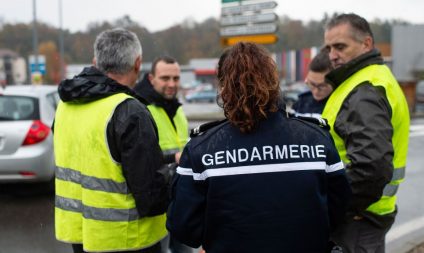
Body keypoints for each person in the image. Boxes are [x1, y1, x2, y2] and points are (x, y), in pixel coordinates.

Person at [166, 42, 351, 253]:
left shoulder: (202, 149)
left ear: (224, 87)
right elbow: (338, 212)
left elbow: (184, 229)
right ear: (273, 81)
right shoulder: (317, 139)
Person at [53, 28, 169, 253]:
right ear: (138, 63)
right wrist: (174, 174)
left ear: (96, 61)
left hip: (82, 236)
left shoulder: (65, 107)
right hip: (129, 240)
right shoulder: (129, 111)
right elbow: (151, 196)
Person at [322, 13, 410, 253]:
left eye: (340, 46)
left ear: (367, 44)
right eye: (329, 48)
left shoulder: (365, 89)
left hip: (358, 219)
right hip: (364, 216)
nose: (332, 55)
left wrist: (333, 207)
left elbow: (371, 168)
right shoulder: (367, 80)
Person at [134, 56, 192, 253]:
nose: (171, 84)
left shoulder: (176, 108)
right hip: (158, 203)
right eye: (165, 78)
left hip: (181, 199)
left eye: (176, 79)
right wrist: (174, 158)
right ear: (151, 79)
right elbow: (139, 160)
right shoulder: (141, 110)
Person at [291, 48, 333, 119]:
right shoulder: (301, 102)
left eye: (321, 86)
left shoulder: (342, 106)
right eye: (312, 84)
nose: (316, 91)